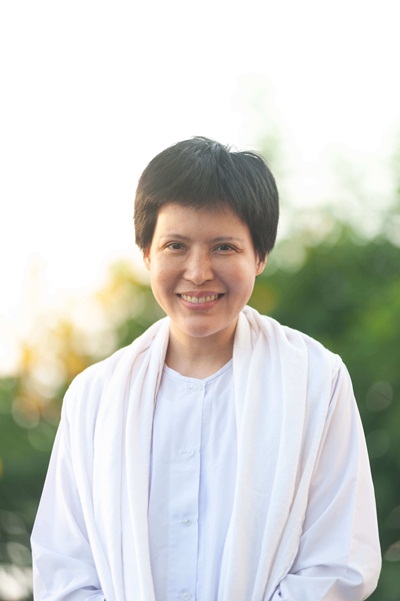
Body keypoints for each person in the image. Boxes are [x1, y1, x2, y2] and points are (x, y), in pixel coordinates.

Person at [31, 136, 381, 600]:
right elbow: (65, 567)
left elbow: (339, 562)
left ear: (259, 256)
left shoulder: (317, 381)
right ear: (147, 254)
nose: (198, 272)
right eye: (175, 245)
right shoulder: (94, 396)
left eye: (224, 247)